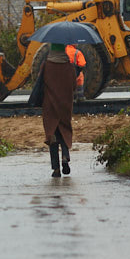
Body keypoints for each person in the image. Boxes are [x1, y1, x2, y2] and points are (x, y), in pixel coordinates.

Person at [41, 42, 77, 177]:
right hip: (65, 104)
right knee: (65, 129)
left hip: (49, 104)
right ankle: (65, 156)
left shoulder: (46, 65)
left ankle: (56, 169)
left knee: (52, 134)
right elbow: (74, 85)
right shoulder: (69, 65)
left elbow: (39, 81)